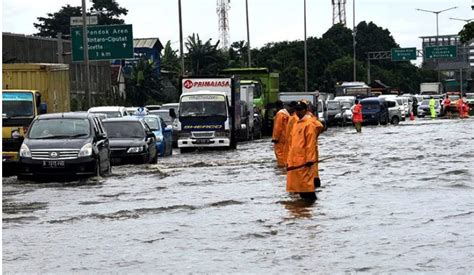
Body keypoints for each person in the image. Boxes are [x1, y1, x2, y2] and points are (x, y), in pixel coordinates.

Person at [286, 101, 318, 202]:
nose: (298, 112)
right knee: (298, 187)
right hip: (295, 161)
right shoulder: (296, 124)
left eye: (300, 110)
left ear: (305, 110)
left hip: (305, 162)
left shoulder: (309, 124)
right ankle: (302, 211)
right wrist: (288, 160)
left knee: (307, 187)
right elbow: (292, 144)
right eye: (297, 110)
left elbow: (310, 144)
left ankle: (309, 209)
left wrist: (310, 159)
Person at [305, 102, 325, 189]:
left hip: (307, 151)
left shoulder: (309, 120)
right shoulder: (312, 119)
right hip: (311, 150)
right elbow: (321, 127)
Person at [272, 101, 296, 167]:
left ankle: (282, 166)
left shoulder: (281, 114)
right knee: (285, 153)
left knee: (280, 153)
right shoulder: (288, 115)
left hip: (281, 138)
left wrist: (275, 138)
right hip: (286, 137)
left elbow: (277, 127)